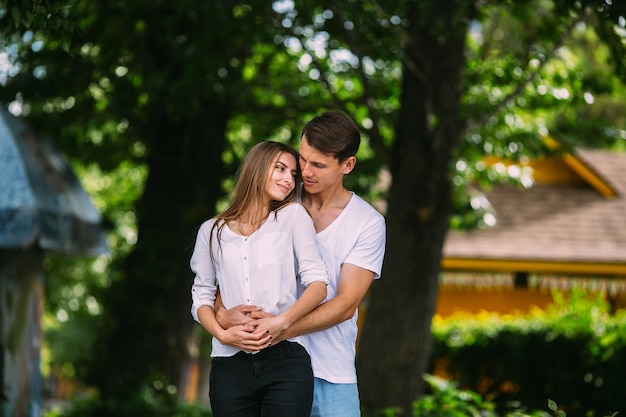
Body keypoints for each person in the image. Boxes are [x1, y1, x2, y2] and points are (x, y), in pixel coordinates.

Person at [216, 110, 387, 417]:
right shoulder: (276, 204)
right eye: (303, 159)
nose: (305, 171)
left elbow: (346, 303)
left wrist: (281, 329)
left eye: (318, 165)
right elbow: (230, 272)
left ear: (347, 165)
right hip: (265, 366)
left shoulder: (367, 223)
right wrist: (222, 315)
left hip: (330, 373)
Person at [190, 140, 329, 417]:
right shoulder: (212, 231)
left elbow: (318, 285)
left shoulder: (292, 217)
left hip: (285, 358)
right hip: (229, 363)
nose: (288, 179)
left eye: (293, 175)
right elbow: (201, 296)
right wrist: (223, 334)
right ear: (257, 166)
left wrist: (280, 323)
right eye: (280, 168)